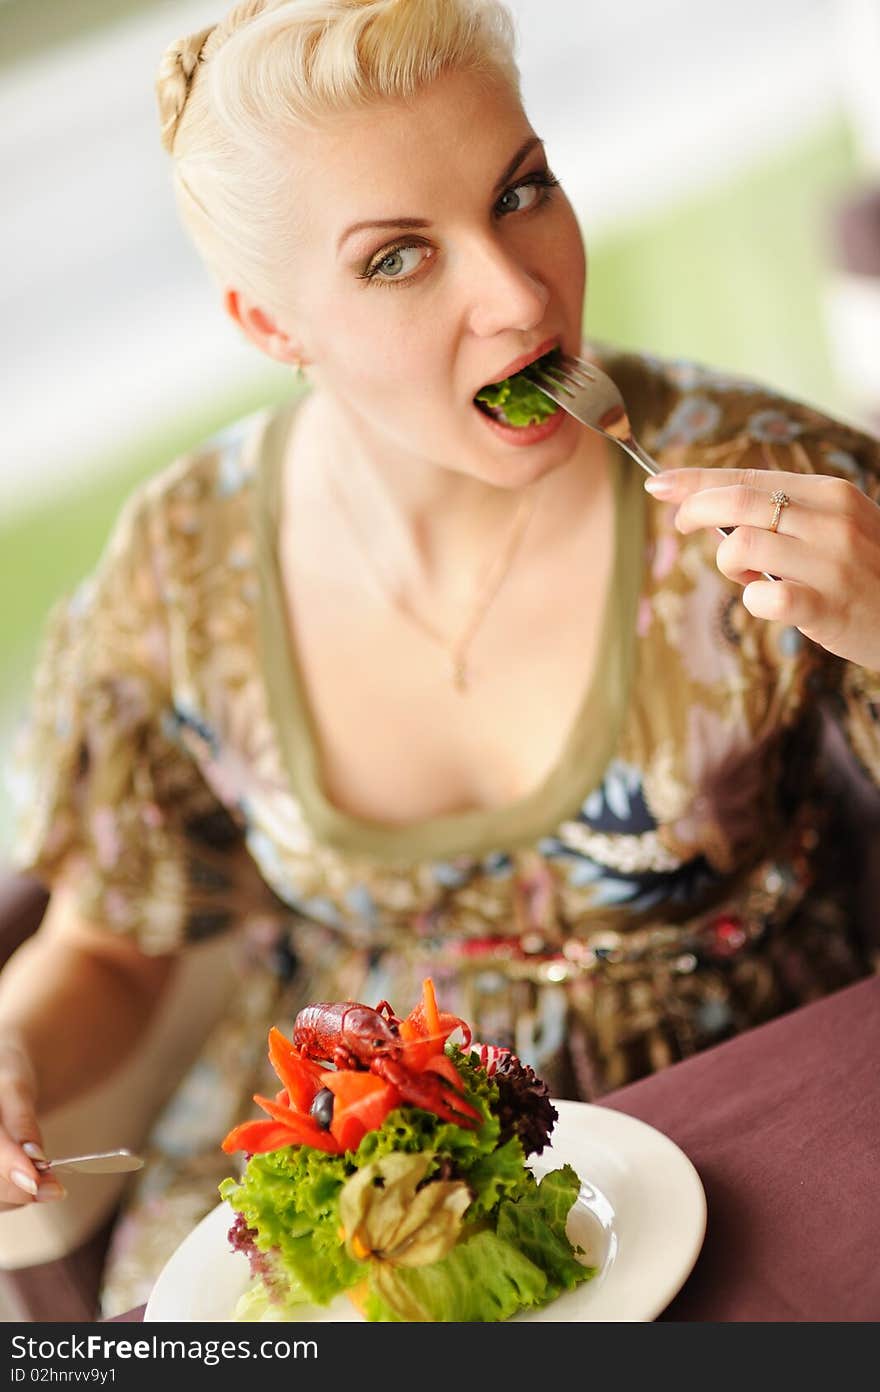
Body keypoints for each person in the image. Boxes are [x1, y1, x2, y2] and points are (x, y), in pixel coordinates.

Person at [1, 0, 879, 1320]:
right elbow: (116, 953)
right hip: (365, 1164)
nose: (520, 293)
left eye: (522, 190)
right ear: (269, 320)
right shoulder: (179, 571)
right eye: (399, 258)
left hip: (739, 1115)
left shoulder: (779, 483)